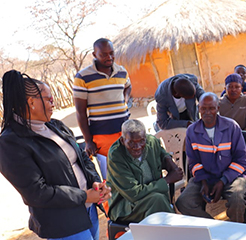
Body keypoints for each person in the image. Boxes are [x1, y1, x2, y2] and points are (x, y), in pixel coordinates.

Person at [0, 70, 110, 240]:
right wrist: (84, 196)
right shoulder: (10, 143)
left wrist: (95, 181)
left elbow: (82, 158)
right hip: (63, 225)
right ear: (31, 102)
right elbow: (37, 192)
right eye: (49, 99)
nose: (54, 104)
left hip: (89, 212)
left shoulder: (55, 126)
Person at [175, 93, 246, 223]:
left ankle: (235, 231)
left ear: (218, 108)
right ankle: (214, 229)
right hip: (205, 177)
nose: (207, 112)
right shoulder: (192, 131)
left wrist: (222, 181)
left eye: (211, 108)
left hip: (233, 177)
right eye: (203, 108)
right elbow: (194, 162)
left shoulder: (232, 127)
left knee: (237, 199)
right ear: (199, 109)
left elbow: (242, 160)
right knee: (183, 202)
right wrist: (203, 181)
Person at [107, 119, 184, 223]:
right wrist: (167, 180)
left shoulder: (151, 142)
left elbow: (162, 154)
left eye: (142, 141)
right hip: (126, 206)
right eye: (131, 143)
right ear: (122, 140)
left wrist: (168, 160)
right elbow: (134, 194)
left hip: (153, 198)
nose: (137, 147)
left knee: (158, 201)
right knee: (158, 200)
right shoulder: (116, 156)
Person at [73, 38, 131, 166]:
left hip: (125, 131)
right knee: (111, 174)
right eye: (103, 54)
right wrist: (88, 141)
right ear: (94, 54)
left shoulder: (122, 72)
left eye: (111, 53)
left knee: (131, 168)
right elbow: (80, 112)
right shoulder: (83, 77)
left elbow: (128, 86)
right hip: (102, 135)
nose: (109, 57)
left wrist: (124, 101)